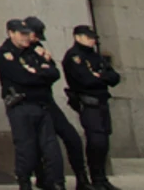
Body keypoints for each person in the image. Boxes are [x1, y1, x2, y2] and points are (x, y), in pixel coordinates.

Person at [0, 17, 64, 190]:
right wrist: (40, 74)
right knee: (26, 149)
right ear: (11, 33)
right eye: (22, 34)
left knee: (51, 148)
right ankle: (24, 182)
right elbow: (21, 77)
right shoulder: (5, 53)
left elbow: (54, 73)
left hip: (41, 104)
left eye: (27, 34)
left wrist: (36, 72)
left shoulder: (33, 52)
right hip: (21, 105)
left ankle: (56, 183)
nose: (26, 38)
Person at [26, 16, 88, 190]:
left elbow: (54, 73)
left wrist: (44, 65)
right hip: (30, 103)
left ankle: (82, 178)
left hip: (47, 101)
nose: (36, 39)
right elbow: (26, 75)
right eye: (35, 35)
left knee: (72, 138)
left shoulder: (39, 48)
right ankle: (44, 178)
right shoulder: (19, 50)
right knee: (38, 144)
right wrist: (41, 70)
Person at [63, 25, 120, 190]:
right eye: (88, 37)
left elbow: (115, 77)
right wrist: (102, 78)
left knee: (104, 141)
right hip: (88, 102)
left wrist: (99, 76)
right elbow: (85, 80)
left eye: (93, 37)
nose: (92, 40)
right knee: (96, 141)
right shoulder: (74, 56)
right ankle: (95, 179)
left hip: (102, 101)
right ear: (78, 37)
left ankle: (101, 178)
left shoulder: (96, 56)